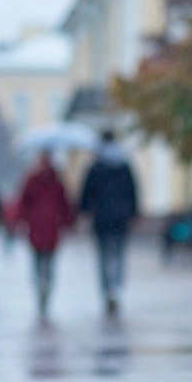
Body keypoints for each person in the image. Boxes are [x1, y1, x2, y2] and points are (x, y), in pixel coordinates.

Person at [79, 129, 138, 316]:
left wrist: (84, 211)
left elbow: (86, 193)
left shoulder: (96, 166)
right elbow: (133, 190)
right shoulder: (124, 164)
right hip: (120, 218)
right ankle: (116, 287)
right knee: (118, 254)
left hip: (102, 219)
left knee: (104, 256)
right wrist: (133, 212)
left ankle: (107, 290)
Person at [17, 150, 73, 320]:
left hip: (36, 229)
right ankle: (46, 288)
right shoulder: (57, 181)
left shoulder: (32, 180)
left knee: (37, 263)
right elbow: (65, 205)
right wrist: (67, 223)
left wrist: (24, 220)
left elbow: (23, 203)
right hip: (51, 229)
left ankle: (40, 287)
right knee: (49, 264)